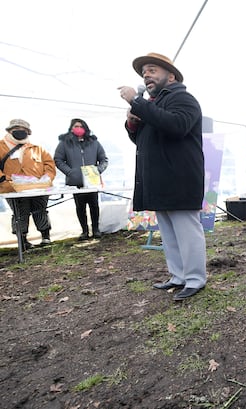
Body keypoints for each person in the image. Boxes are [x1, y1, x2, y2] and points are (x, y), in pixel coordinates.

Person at [118, 52, 207, 301]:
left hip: (179, 178)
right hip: (160, 179)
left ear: (171, 76)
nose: (146, 75)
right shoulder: (152, 105)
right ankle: (178, 276)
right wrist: (133, 123)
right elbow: (143, 140)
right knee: (168, 232)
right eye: (144, 72)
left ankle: (195, 279)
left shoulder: (183, 98)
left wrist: (137, 103)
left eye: (152, 70)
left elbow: (177, 126)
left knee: (187, 232)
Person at [0, 119, 56, 249]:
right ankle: (23, 240)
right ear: (9, 131)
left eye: (24, 130)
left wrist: (47, 178)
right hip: (13, 188)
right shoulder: (0, 146)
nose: (20, 132)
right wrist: (3, 179)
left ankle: (45, 237)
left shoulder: (37, 148)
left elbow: (49, 164)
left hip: (38, 188)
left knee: (40, 210)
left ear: (28, 132)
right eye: (16, 129)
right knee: (20, 213)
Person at [54, 118, 108, 240]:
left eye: (80, 126)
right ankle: (84, 231)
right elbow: (58, 159)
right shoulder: (65, 143)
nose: (78, 128)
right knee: (80, 206)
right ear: (71, 128)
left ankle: (96, 229)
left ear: (85, 128)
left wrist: (97, 170)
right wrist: (69, 172)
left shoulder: (94, 142)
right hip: (76, 181)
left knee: (94, 205)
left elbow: (104, 159)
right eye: (75, 126)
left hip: (92, 181)